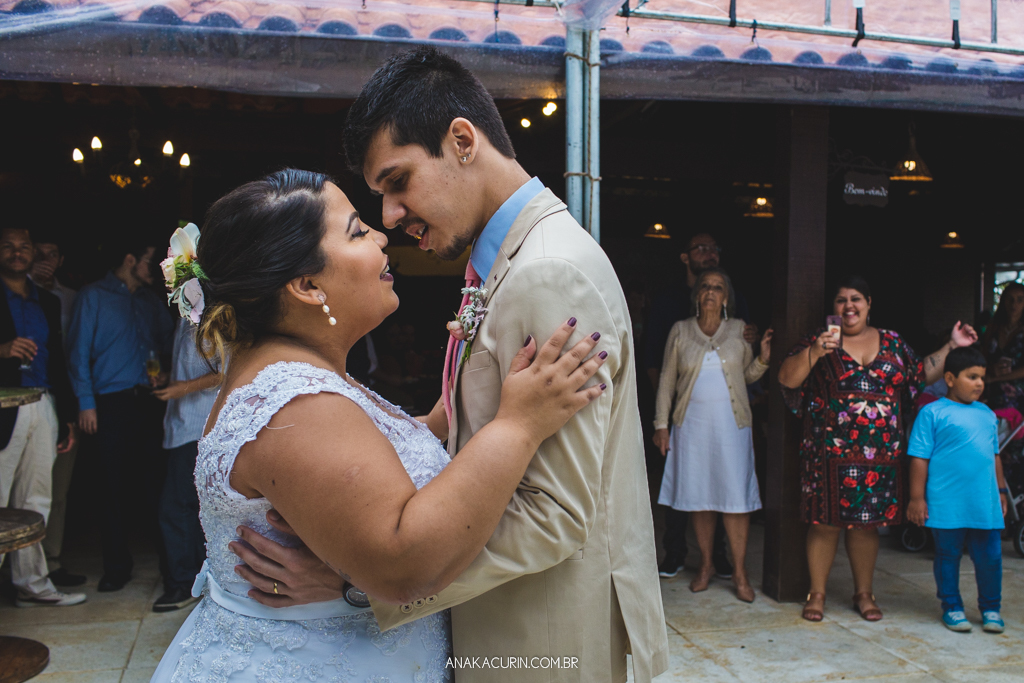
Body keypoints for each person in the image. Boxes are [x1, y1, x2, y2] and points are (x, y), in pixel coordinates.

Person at [229, 48, 669, 683]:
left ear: (462, 140)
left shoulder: (550, 274)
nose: (388, 217)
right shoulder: (507, 259)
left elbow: (554, 515)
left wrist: (361, 583)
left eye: (398, 181)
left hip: (537, 638)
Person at [151, 169, 608, 681]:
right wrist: (518, 426)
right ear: (306, 285)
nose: (382, 235)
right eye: (357, 230)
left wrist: (453, 401)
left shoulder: (291, 375)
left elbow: (364, 455)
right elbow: (405, 564)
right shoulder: (295, 407)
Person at [778, 275, 978, 623]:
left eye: (856, 299)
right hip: (828, 455)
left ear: (869, 304)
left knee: (867, 526)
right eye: (841, 301)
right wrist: (814, 352)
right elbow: (787, 379)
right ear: (834, 308)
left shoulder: (893, 343)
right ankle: (818, 593)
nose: (849, 306)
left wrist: (952, 345)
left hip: (881, 457)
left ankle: (864, 593)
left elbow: (920, 374)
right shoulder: (821, 340)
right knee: (824, 524)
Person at [652, 268, 771, 601]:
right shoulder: (680, 330)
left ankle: (740, 572)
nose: (710, 292)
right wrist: (661, 425)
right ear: (697, 294)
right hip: (690, 427)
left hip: (732, 427)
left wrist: (763, 357)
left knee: (735, 499)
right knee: (700, 496)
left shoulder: (739, 332)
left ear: (726, 297)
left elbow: (747, 377)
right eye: (705, 286)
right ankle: (705, 565)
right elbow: (666, 380)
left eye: (718, 288)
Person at [67, 242, 175, 592]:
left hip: (148, 401)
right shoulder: (93, 296)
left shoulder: (150, 301)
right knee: (109, 487)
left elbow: (169, 340)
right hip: (107, 404)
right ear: (130, 260)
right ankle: (117, 566)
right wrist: (86, 403)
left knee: (152, 485)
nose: (156, 269)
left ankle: (170, 564)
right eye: (149, 261)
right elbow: (78, 352)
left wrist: (166, 371)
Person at [0, 226, 83, 607]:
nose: (17, 253)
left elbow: (57, 360)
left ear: (34, 254)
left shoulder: (46, 301)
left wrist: (66, 416)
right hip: (4, 406)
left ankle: (33, 584)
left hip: (43, 403)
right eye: (8, 247)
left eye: (24, 247)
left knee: (38, 497)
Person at [907, 346, 1009, 634]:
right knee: (947, 555)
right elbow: (919, 458)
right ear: (950, 378)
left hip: (984, 502)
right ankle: (951, 606)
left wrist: (1001, 492)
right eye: (972, 376)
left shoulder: (987, 414)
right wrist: (917, 498)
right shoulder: (932, 413)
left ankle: (991, 608)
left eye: (982, 378)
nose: (979, 383)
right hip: (946, 502)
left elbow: (995, 455)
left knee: (990, 557)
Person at [151, 317, 221, 612]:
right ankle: (195, 579)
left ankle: (182, 584)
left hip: (202, 424)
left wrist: (185, 388)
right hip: (182, 425)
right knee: (187, 507)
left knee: (176, 506)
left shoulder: (220, 318)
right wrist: (170, 378)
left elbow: (228, 371)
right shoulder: (182, 319)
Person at [28, 236, 85, 588]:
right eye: (39, 255)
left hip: (62, 397)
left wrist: (75, 410)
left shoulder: (71, 299)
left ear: (61, 259)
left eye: (51, 255)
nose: (44, 261)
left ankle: (50, 561)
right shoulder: (16, 297)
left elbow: (72, 356)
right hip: (27, 396)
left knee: (55, 490)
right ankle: (21, 569)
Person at [982, 282, 1024, 411]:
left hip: (1018, 396)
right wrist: (990, 369)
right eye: (1010, 299)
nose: (1014, 304)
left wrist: (996, 378)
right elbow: (981, 357)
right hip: (990, 391)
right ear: (1003, 300)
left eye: (1019, 300)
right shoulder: (993, 326)